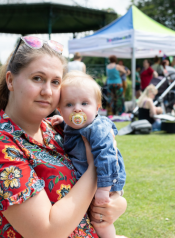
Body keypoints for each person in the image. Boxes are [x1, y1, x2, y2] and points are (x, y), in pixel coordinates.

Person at [0, 36, 127, 238]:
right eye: (37, 78)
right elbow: (46, 232)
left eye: (55, 82)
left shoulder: (56, 129)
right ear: (10, 80)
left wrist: (116, 205)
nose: (47, 91)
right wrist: (95, 169)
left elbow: (107, 188)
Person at [51, 71, 126, 238]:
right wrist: (63, 123)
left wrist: (103, 189)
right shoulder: (72, 125)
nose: (77, 108)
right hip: (88, 181)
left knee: (100, 219)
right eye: (69, 105)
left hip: (104, 181)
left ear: (97, 107)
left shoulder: (97, 128)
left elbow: (106, 157)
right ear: (60, 109)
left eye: (85, 103)